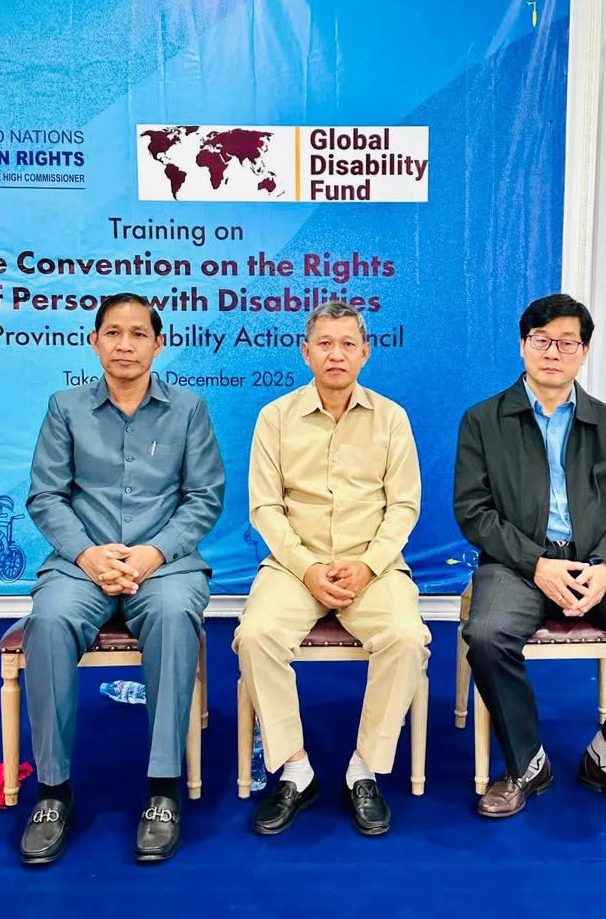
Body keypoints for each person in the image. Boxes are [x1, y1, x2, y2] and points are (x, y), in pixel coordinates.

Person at [454, 293, 606, 819]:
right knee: (488, 636)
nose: (553, 352)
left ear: (584, 352)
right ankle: (526, 764)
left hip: (598, 567)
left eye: (567, 343)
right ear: (523, 346)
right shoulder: (482, 420)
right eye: (541, 340)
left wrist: (605, 567)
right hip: (516, 566)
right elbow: (473, 512)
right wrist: (536, 563)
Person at [20, 292, 225, 865]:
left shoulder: (189, 409)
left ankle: (163, 789)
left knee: (172, 614)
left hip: (164, 565)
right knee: (50, 620)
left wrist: (154, 553)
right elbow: (46, 495)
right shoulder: (65, 407)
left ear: (158, 344)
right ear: (95, 342)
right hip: (80, 563)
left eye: (138, 334)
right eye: (113, 333)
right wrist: (87, 555)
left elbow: (205, 497)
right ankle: (53, 792)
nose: (125, 345)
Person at [234, 302, 430, 837]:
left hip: (372, 565)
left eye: (347, 344)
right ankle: (296, 770)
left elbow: (404, 506)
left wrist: (368, 564)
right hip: (294, 565)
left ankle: (363, 768)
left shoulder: (391, 418)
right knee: (255, 635)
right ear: (306, 352)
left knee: (406, 637)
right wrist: (305, 567)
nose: (335, 354)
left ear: (365, 353)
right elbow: (265, 508)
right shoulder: (275, 417)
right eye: (324, 343)